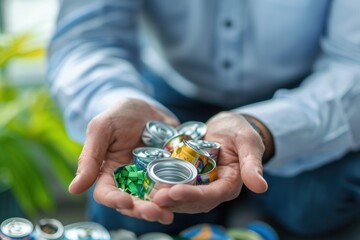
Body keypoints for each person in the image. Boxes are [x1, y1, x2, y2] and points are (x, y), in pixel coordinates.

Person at [47, 0, 360, 237]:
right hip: (166, 95)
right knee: (128, 211)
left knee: (317, 204)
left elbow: (353, 63)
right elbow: (86, 38)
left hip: (308, 96)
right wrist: (114, 100)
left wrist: (266, 128)